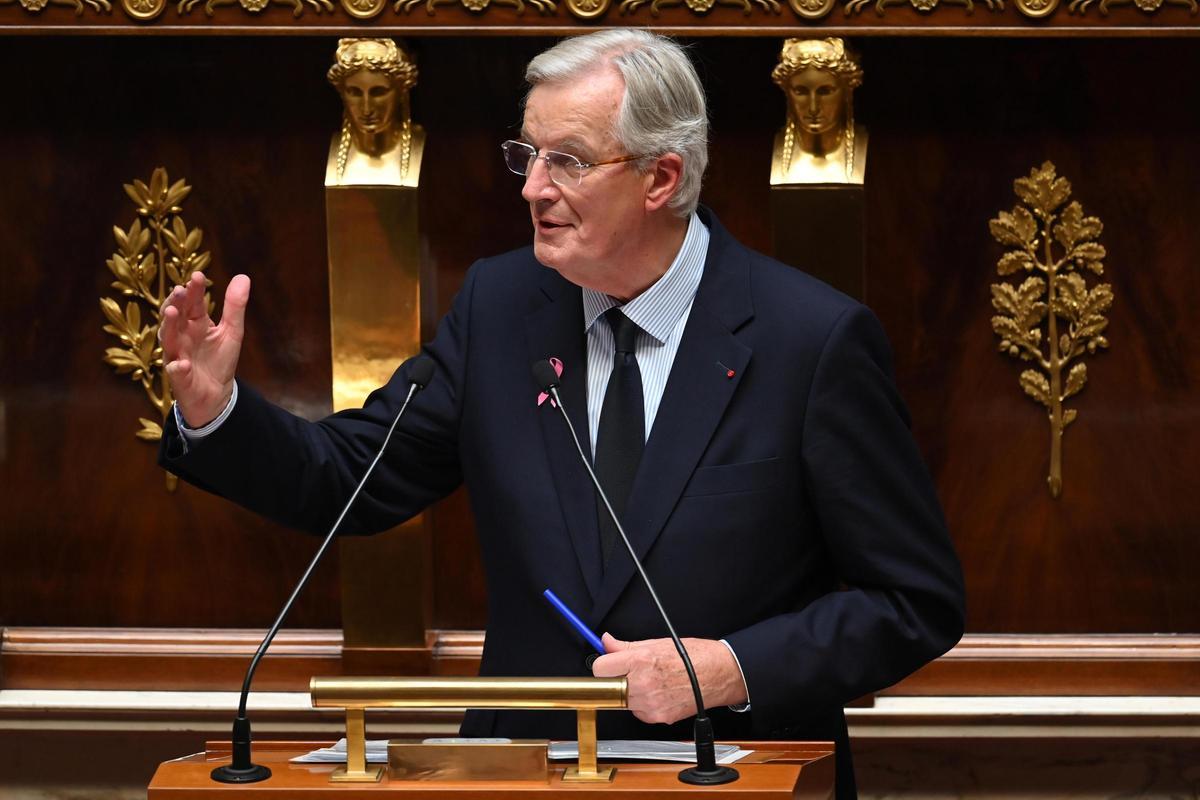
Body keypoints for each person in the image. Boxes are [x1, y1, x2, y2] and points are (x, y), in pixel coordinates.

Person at [160, 30, 963, 799]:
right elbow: (347, 481)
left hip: (730, 775)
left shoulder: (809, 340)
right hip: (524, 778)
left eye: (567, 162)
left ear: (660, 178)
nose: (533, 187)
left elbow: (914, 600)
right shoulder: (502, 309)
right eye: (529, 154)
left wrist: (729, 667)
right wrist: (216, 412)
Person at [769, 37, 867, 185]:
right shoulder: (765, 151)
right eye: (800, 91)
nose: (813, 108)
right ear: (787, 91)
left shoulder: (870, 148)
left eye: (825, 91)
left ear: (847, 90)